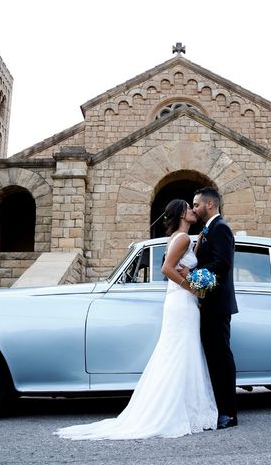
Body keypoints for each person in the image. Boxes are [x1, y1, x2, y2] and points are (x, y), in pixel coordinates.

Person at [55, 199, 217, 440]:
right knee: (180, 352)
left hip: (182, 302)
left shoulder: (182, 237)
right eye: (189, 207)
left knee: (183, 352)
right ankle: (180, 410)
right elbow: (166, 269)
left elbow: (182, 265)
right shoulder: (181, 238)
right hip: (182, 302)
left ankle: (186, 407)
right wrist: (192, 287)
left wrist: (196, 260)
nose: (193, 210)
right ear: (181, 213)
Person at [190, 187, 239, 429]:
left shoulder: (220, 228)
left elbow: (223, 264)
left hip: (217, 304)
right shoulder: (209, 229)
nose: (194, 208)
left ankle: (229, 413)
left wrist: (191, 276)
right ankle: (218, 408)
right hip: (208, 304)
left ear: (209, 204)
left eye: (196, 204)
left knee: (221, 358)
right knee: (213, 357)